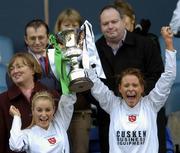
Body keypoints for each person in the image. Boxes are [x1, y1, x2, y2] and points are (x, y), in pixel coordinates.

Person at [87, 26, 176, 153]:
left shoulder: (151, 104)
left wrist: (169, 43)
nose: (130, 89)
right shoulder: (113, 104)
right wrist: (85, 59)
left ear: (142, 88)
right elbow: (95, 83)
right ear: (120, 89)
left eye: (135, 85)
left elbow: (169, 77)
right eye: (126, 85)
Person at [94, 5, 164, 153]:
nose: (110, 26)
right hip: (110, 116)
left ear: (123, 22)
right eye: (105, 24)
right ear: (100, 26)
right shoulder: (94, 50)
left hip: (145, 114)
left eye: (114, 21)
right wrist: (112, 102)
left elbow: (158, 75)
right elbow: (90, 85)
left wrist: (136, 94)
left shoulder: (145, 44)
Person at [0, 52, 59, 153]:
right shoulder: (2, 100)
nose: (15, 71)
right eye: (11, 69)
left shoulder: (52, 95)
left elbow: (60, 127)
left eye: (19, 66)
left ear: (32, 69)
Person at [53, 8, 92, 153]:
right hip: (56, 113)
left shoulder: (88, 49)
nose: (70, 29)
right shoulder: (52, 50)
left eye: (75, 25)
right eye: (66, 25)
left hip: (80, 112)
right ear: (59, 27)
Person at [9, 90, 76, 153]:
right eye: (39, 110)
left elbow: (68, 98)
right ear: (33, 111)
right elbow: (15, 145)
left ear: (53, 110)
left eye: (47, 110)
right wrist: (16, 117)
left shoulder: (59, 123)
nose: (44, 115)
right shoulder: (28, 134)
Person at [24, 19, 61, 92]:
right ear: (26, 40)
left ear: (48, 38)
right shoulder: (20, 61)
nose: (37, 42)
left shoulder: (59, 55)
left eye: (41, 37)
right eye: (32, 38)